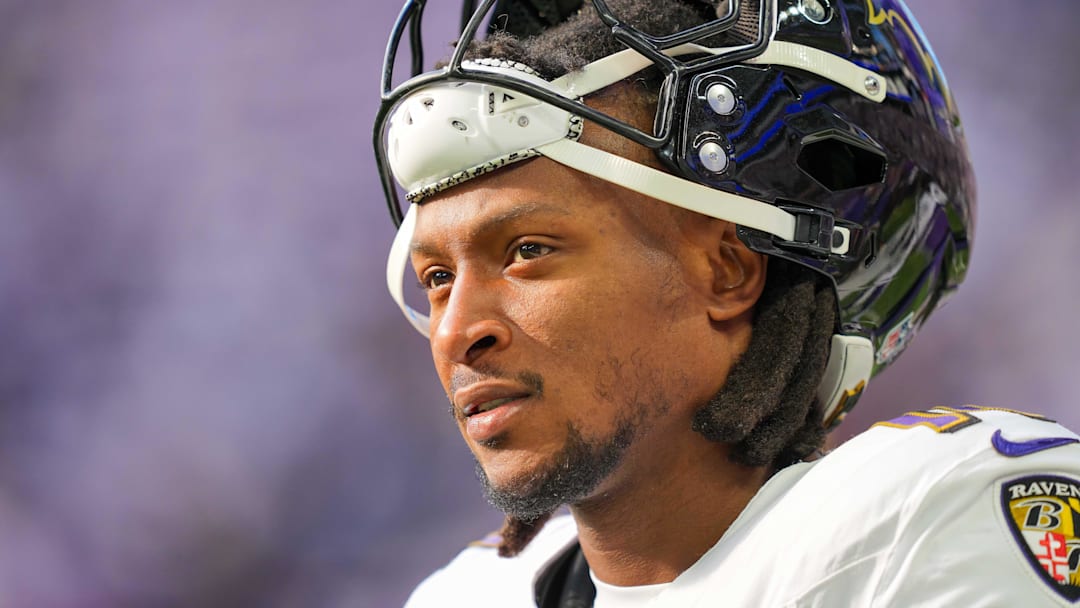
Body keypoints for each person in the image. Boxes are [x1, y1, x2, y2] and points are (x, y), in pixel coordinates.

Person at [374, 0, 1080, 605]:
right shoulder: (465, 593)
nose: (457, 331)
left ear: (727, 271)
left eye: (528, 251)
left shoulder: (925, 521)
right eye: (435, 277)